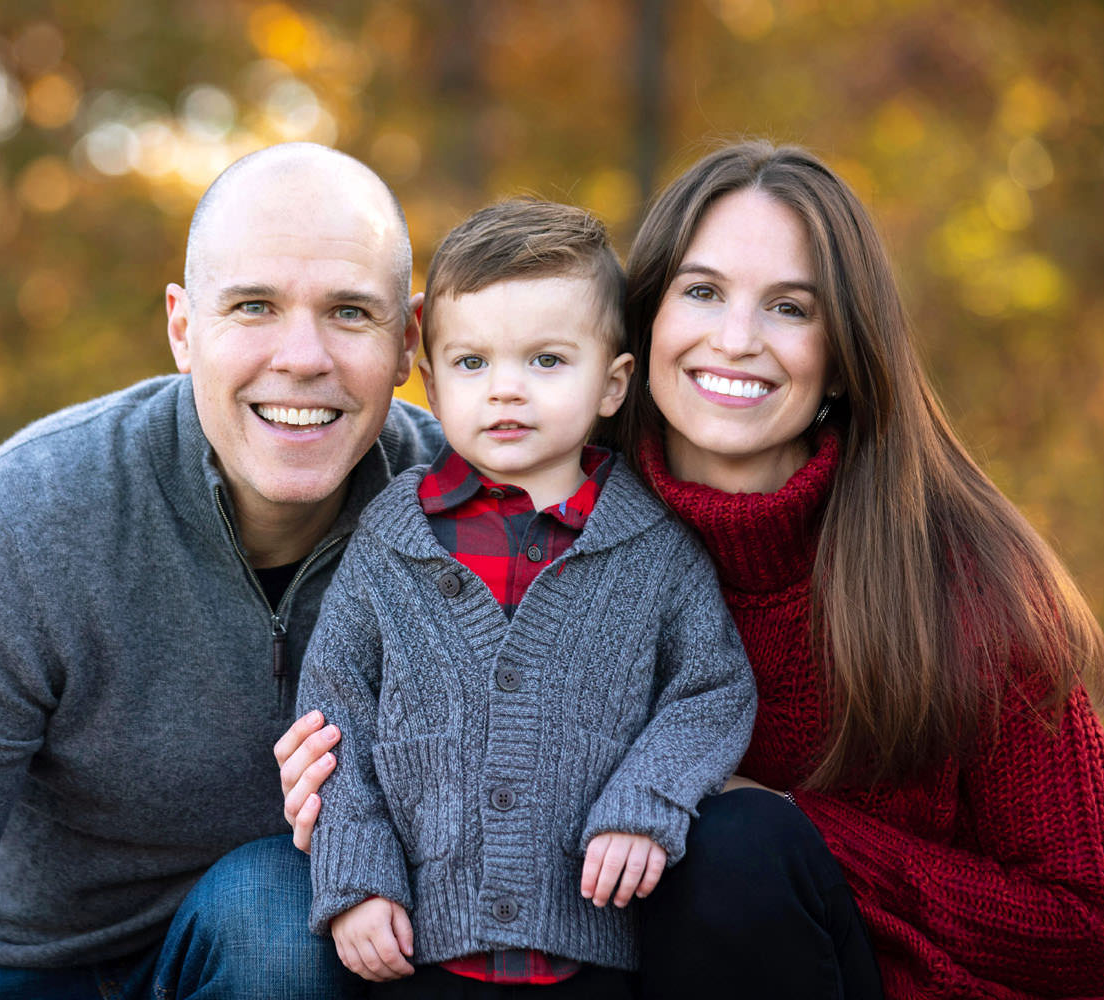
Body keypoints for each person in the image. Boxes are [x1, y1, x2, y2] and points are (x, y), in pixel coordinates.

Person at [278, 140, 1104, 999]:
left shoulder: (956, 573)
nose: (737, 339)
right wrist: (344, 785)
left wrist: (785, 821)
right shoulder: (546, 518)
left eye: (791, 306)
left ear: (841, 353)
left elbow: (1087, 929)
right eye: (704, 292)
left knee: (727, 848)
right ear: (646, 325)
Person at [0, 142, 444, 1000]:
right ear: (184, 329)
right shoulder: (25, 523)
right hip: (22, 971)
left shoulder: (468, 519)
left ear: (407, 342)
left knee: (282, 904)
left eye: (349, 313)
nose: (302, 356)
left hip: (273, 956)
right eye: (254, 306)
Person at [294, 199, 757, 997]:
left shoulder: (652, 547)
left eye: (546, 361)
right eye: (474, 364)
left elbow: (712, 691)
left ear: (612, 385)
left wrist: (647, 801)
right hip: (418, 951)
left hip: (596, 946)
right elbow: (334, 714)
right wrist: (357, 879)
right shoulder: (390, 541)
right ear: (432, 384)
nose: (506, 391)